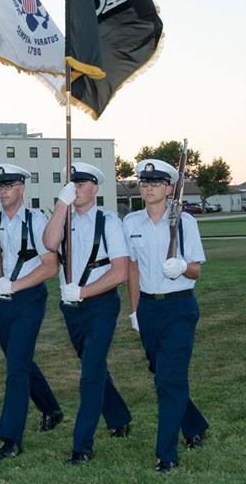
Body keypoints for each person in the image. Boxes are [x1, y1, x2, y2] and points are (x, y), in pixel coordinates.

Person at [43, 163, 133, 466]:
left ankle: (82, 445)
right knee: (95, 368)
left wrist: (82, 292)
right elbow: (49, 244)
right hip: (71, 311)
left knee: (90, 374)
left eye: (82, 184)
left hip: (101, 306)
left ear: (94, 188)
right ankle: (119, 417)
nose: (76, 189)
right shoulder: (62, 219)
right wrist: (60, 205)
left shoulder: (108, 222)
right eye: (73, 184)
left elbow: (120, 272)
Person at [123, 159, 209, 474]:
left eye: (156, 183)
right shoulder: (130, 222)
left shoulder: (184, 222)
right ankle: (195, 424)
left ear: (169, 188)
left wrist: (183, 267)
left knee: (169, 380)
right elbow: (131, 269)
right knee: (162, 376)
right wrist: (134, 310)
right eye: (144, 183)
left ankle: (166, 454)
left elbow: (197, 270)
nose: (148, 187)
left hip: (179, 308)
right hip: (148, 308)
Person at [0, 164, 64, 460]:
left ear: (22, 188)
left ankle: (10, 437)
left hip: (28, 297)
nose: (3, 191)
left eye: (9, 186)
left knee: (15, 366)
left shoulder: (36, 220)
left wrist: (15, 286)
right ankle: (51, 408)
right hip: (1, 298)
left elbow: (50, 266)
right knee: (19, 359)